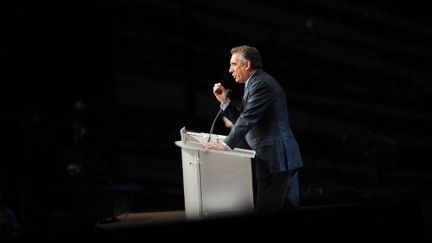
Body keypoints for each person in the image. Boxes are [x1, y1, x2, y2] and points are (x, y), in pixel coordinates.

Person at [203, 45, 303, 215]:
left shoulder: (261, 84)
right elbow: (246, 118)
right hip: (275, 158)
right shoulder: (254, 83)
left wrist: (226, 145)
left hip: (277, 159)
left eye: (234, 64)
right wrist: (224, 102)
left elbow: (247, 119)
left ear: (247, 64)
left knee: (267, 210)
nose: (230, 70)